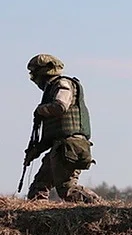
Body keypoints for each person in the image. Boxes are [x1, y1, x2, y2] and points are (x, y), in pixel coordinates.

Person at [24, 54, 101, 203]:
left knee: (68, 190)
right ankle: (40, 220)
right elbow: (54, 133)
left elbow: (60, 106)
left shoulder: (63, 84)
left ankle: (98, 206)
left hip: (69, 147)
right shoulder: (51, 90)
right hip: (60, 147)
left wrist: (41, 110)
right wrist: (36, 151)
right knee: (38, 188)